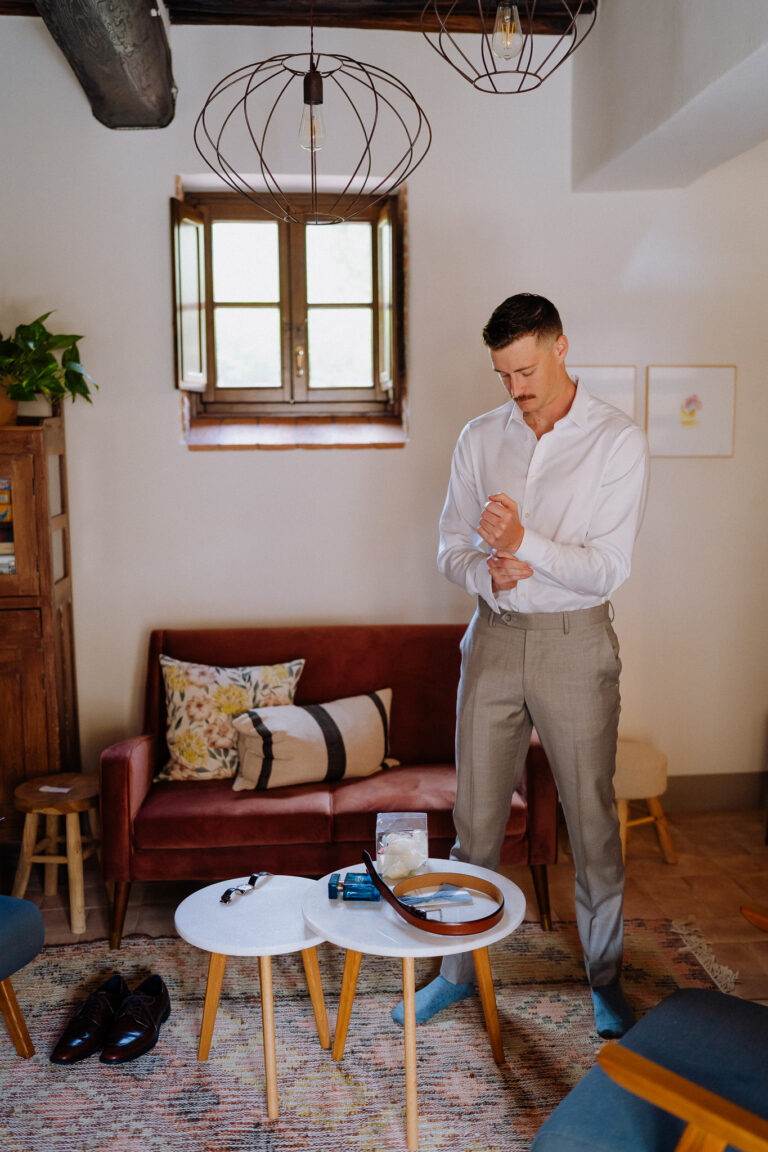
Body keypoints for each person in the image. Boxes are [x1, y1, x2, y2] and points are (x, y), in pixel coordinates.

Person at [394, 293, 649, 1038]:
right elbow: (448, 545)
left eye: (527, 370)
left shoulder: (617, 441)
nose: (517, 388)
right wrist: (485, 572)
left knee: (592, 825)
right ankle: (458, 974)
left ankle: (603, 978)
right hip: (495, 638)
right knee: (473, 823)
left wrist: (524, 541)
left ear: (562, 347)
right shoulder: (479, 438)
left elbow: (606, 569)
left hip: (577, 641)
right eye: (504, 374)